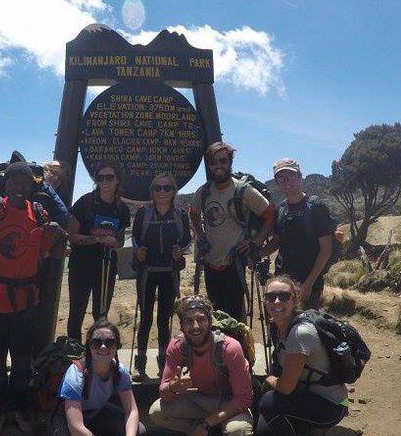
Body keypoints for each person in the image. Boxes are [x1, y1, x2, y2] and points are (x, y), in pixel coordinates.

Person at [0, 161, 67, 436]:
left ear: (32, 186)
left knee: (22, 360)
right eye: (13, 182)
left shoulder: (39, 214)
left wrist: (60, 237)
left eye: (25, 183)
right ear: (5, 185)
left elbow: (54, 253)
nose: (19, 187)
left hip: (25, 301)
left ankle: (20, 407)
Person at [256, 275, 349, 436]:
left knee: (269, 402)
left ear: (295, 298)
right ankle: (311, 432)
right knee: (262, 434)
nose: (277, 302)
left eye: (284, 296)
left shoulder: (300, 333)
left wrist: (269, 381)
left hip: (332, 405)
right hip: (314, 395)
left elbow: (285, 387)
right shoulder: (281, 326)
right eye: (271, 297)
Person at [149, 295, 254, 436]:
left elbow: (243, 399)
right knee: (157, 412)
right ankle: (201, 434)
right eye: (189, 321)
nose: (195, 326)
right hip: (201, 399)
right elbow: (164, 393)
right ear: (181, 325)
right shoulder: (177, 346)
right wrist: (173, 388)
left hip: (229, 403)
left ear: (210, 321)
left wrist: (206, 423)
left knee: (238, 433)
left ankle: (217, 435)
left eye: (201, 319)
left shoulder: (229, 348)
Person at [190, 142, 274, 321]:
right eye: (213, 162)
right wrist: (200, 235)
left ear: (230, 162)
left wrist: (255, 242)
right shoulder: (204, 192)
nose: (218, 166)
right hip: (210, 263)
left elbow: (270, 215)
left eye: (223, 161)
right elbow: (194, 213)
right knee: (216, 314)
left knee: (234, 317)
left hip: (234, 264)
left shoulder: (243, 191)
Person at [51, 319, 143, 436]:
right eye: (96, 342)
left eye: (110, 342)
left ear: (117, 346)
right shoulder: (76, 374)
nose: (103, 347)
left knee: (138, 431)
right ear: (89, 346)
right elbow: (75, 427)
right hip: (67, 419)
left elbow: (131, 411)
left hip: (96, 413)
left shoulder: (119, 372)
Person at [130, 172, 192, 382]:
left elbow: (187, 240)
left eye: (167, 188)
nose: (162, 192)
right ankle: (140, 364)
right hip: (147, 273)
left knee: (164, 320)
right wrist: (138, 252)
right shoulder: (143, 213)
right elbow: (135, 238)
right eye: (158, 188)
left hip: (169, 273)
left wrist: (179, 252)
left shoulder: (180, 214)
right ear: (152, 191)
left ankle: (164, 363)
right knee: (145, 318)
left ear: (174, 191)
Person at [66, 162, 131, 340]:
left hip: (106, 267)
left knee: (101, 314)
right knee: (76, 313)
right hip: (81, 266)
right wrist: (98, 239)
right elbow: (72, 236)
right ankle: (75, 351)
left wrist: (114, 242)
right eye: (100, 177)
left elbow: (120, 242)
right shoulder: (85, 202)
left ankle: (98, 349)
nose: (104, 181)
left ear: (117, 180)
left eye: (109, 177)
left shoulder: (122, 209)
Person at [262, 158, 337, 309]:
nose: (286, 181)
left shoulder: (316, 207)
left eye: (290, 175)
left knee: (306, 322)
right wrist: (258, 253)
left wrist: (308, 284)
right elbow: (277, 241)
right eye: (281, 177)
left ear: (299, 177)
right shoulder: (280, 209)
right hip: (282, 282)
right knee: (280, 321)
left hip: (308, 282)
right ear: (277, 182)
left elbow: (326, 249)